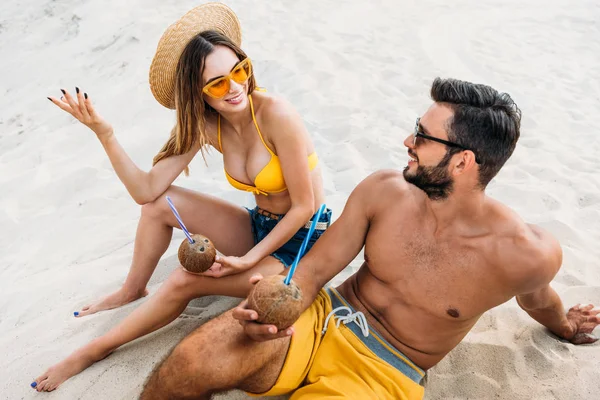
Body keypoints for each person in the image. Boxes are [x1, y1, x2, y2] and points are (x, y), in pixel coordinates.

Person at [139, 78, 599, 400]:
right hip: (319, 321)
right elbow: (315, 269)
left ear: (463, 163)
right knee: (187, 365)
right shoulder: (383, 191)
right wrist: (270, 310)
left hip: (384, 374)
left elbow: (537, 300)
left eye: (422, 136)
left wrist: (563, 325)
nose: (407, 140)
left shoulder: (524, 253)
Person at [32, 3, 331, 393]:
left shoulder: (277, 114)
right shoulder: (208, 124)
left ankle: (95, 349)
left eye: (240, 70)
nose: (236, 87)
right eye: (218, 83)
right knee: (158, 205)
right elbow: (146, 190)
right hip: (260, 225)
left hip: (301, 242)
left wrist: (248, 258)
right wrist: (105, 134)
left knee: (182, 281)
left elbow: (305, 206)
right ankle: (132, 289)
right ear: (199, 93)